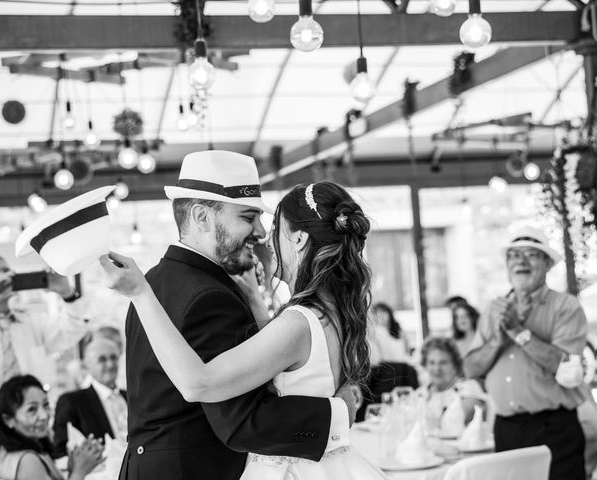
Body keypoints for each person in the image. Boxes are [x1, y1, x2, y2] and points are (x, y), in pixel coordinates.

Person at [100, 177, 387, 479]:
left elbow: (200, 383)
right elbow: (283, 359)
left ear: (300, 240)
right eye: (249, 218)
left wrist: (141, 293)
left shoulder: (298, 321)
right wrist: (254, 298)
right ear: (201, 216)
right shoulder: (332, 313)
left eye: (275, 227)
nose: (264, 235)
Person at [464, 226, 588, 480]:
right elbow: (470, 369)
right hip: (506, 428)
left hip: (554, 430)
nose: (520, 261)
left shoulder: (566, 306)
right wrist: (497, 342)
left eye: (531, 254)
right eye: (514, 255)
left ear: (547, 263)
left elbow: (566, 369)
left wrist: (517, 330)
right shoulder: (493, 309)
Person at [0, 255, 90, 478]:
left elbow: (74, 330)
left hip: (28, 436)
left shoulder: (31, 321)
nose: (3, 276)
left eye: (6, 271)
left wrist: (67, 293)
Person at [0, 374, 103, 480]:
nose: (44, 416)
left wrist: (73, 469)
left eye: (45, 405)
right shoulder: (28, 460)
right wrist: (79, 472)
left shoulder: (7, 449)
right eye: (32, 409)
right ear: (8, 420)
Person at [53, 338, 127, 458]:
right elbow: (62, 452)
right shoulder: (72, 402)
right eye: (102, 359)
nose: (110, 364)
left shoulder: (131, 397)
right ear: (87, 366)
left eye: (113, 357)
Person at [419, 337, 484, 430]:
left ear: (455, 365)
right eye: (432, 363)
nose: (437, 368)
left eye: (443, 362)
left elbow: (458, 421)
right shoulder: (421, 394)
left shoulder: (467, 388)